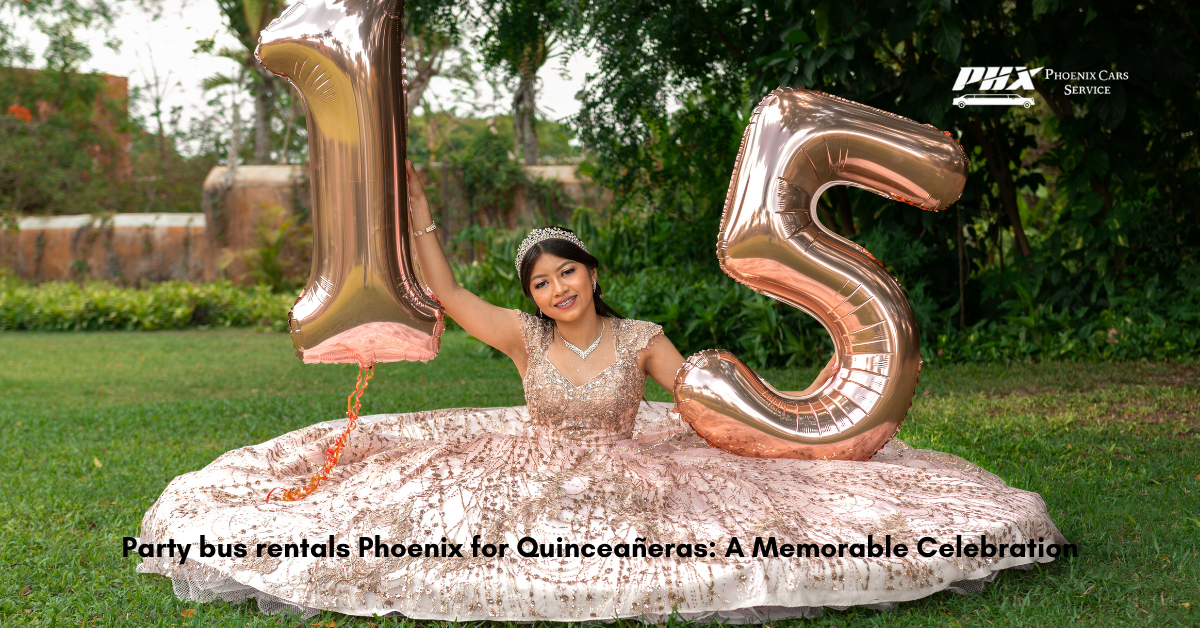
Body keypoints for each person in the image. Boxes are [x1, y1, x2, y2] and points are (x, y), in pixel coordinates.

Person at [137, 161, 1067, 622]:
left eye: (566, 274)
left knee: (645, 504)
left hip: (628, 461)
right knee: (474, 511)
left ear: (591, 270)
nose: (556, 290)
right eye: (541, 282)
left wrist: (772, 435)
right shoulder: (521, 336)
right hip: (536, 458)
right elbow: (454, 295)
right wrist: (419, 221)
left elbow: (695, 406)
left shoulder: (640, 338)